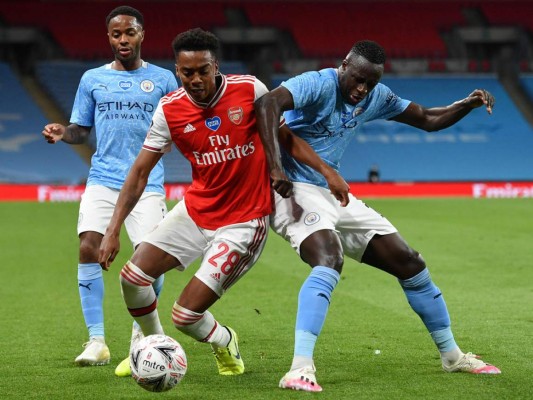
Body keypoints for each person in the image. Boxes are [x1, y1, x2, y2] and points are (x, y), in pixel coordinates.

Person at [255, 40, 501, 392]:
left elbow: (428, 119)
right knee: (329, 259)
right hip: (292, 188)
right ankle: (299, 367)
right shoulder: (317, 83)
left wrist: (467, 104)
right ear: (344, 66)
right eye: (357, 80)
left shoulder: (374, 96)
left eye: (369, 83)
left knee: (410, 262)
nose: (362, 90)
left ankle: (452, 356)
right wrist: (275, 168)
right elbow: (267, 102)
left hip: (333, 191)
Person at [98, 28, 332, 377]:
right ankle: (155, 349)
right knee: (132, 278)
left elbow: (285, 138)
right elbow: (139, 172)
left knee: (185, 316)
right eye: (186, 72)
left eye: (202, 70)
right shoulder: (170, 109)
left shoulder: (249, 89)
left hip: (243, 221)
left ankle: (224, 340)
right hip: (196, 212)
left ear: (215, 66)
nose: (195, 79)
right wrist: (112, 230)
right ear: (177, 71)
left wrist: (327, 173)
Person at [42, 5, 178, 375]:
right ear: (109, 37)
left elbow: (180, 126)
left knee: (151, 258)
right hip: (102, 178)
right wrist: (62, 132)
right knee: (87, 245)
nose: (123, 39)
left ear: (142, 35)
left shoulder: (164, 79)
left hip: (147, 183)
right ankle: (98, 341)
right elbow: (80, 130)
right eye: (116, 34)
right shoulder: (92, 79)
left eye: (129, 33)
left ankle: (140, 332)